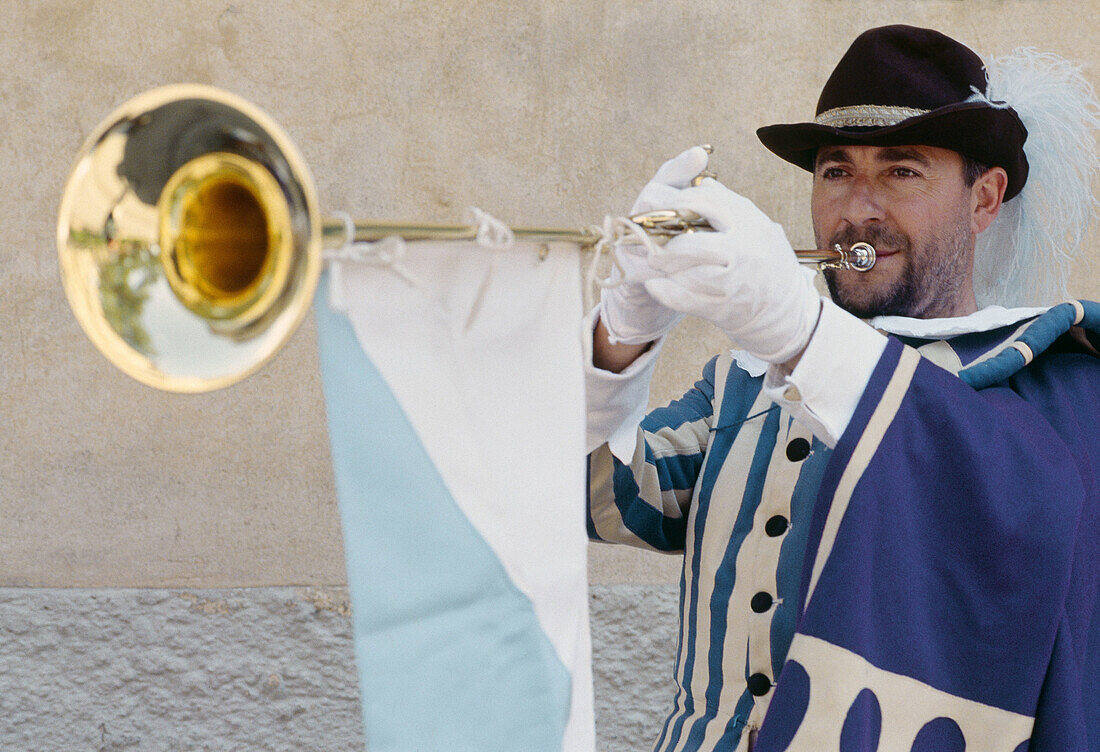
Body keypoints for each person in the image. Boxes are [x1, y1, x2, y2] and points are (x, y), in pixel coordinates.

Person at [585, 25, 1100, 751]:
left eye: (902, 172)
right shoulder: (740, 382)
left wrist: (799, 332)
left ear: (984, 200)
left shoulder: (1052, 378)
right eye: (835, 172)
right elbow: (607, 503)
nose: (858, 209)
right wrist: (620, 341)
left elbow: (1009, 493)